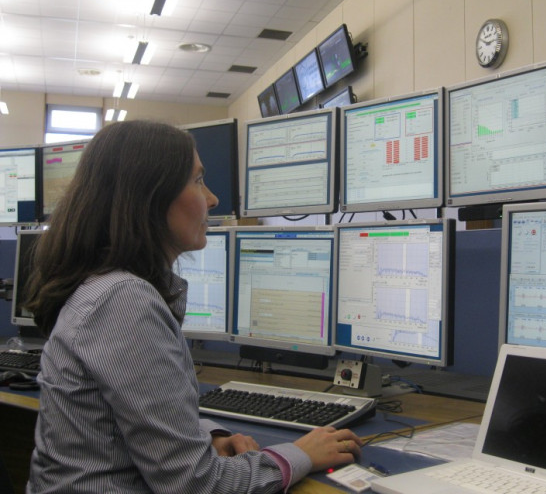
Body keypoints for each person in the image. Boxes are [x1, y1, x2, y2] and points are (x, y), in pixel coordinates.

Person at [24, 120, 361, 493]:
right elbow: (197, 485)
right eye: (198, 180)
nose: (213, 199)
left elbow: (123, 423)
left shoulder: (103, 287)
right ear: (151, 197)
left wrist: (207, 435)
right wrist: (301, 454)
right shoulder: (122, 301)